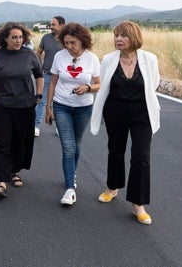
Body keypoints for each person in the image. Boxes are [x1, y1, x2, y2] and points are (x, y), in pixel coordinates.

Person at [90, 21, 160, 225]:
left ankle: (138, 203)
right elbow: (105, 87)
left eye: (124, 36)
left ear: (134, 38)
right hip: (116, 112)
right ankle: (112, 187)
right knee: (116, 151)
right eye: (116, 35)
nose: (119, 39)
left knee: (141, 157)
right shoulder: (109, 59)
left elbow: (153, 84)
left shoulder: (149, 59)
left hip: (142, 114)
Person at [0, 22, 44, 199]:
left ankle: (14, 171)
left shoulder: (30, 54)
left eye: (21, 37)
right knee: (2, 143)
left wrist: (38, 96)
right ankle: (1, 182)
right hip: (1, 106)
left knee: (21, 142)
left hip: (25, 107)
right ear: (5, 39)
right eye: (14, 37)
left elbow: (39, 76)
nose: (19, 41)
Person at [45, 22, 100, 206]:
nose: (68, 46)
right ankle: (70, 188)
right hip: (62, 105)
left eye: (72, 43)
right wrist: (48, 106)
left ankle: (71, 174)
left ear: (82, 41)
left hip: (84, 107)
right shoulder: (60, 56)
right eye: (66, 42)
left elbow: (99, 84)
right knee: (68, 146)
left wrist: (88, 87)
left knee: (76, 144)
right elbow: (52, 82)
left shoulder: (92, 58)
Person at [34, 16, 66, 137]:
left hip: (63, 77)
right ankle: (36, 126)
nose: (51, 27)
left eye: (53, 24)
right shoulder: (46, 37)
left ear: (62, 25)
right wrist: (39, 67)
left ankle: (60, 127)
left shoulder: (67, 39)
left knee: (60, 102)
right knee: (41, 101)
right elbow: (38, 53)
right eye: (50, 24)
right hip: (47, 74)